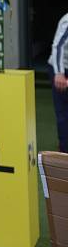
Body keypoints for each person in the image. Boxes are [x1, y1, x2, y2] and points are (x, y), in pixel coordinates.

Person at [50, 11, 68, 152]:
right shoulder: (67, 20)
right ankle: (64, 152)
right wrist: (59, 73)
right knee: (63, 114)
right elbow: (58, 46)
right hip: (61, 69)